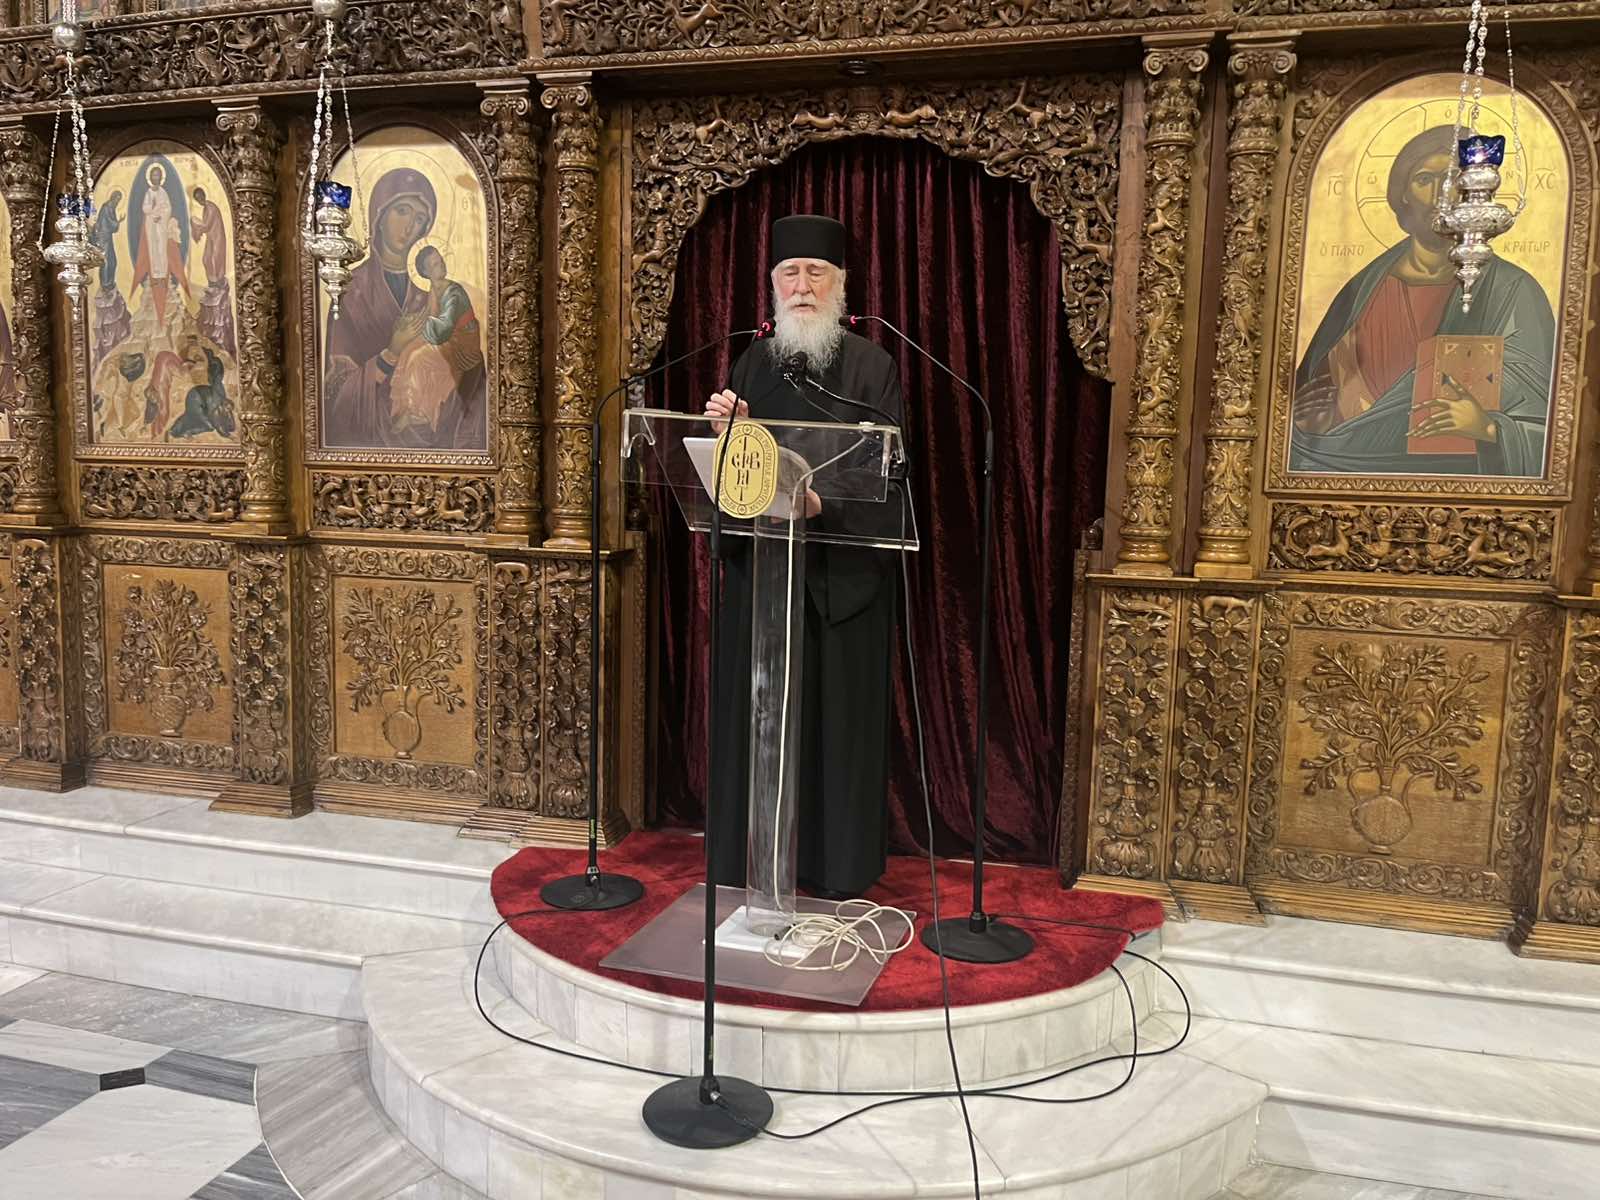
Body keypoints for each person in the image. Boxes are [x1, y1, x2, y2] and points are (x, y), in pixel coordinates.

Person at [703, 213, 902, 899]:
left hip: (840, 584)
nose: (802, 286)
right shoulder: (752, 364)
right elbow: (736, 474)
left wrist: (824, 506)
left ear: (840, 286)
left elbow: (888, 473)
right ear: (773, 285)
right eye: (789, 273)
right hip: (764, 574)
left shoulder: (873, 366)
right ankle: (750, 864)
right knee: (758, 724)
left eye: (817, 273)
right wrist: (728, 438)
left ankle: (834, 871)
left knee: (833, 733)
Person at [1290, 124, 1556, 477]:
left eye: (1452, 179)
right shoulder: (1361, 290)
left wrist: (1490, 428)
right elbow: (1310, 403)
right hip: (1343, 473)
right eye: (1424, 179)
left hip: (1458, 480)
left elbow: (1549, 421)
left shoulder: (1512, 289)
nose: (1440, 196)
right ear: (1401, 194)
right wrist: (1309, 425)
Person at [322, 167, 487, 451]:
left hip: (435, 435)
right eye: (402, 211)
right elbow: (335, 392)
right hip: (368, 443)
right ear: (379, 215)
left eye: (420, 218)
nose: (410, 226)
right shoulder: (350, 291)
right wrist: (392, 352)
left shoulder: (429, 294)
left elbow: (469, 367)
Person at [389, 246, 486, 444]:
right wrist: (410, 322)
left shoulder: (453, 292)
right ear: (425, 272)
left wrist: (420, 325)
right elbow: (429, 316)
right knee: (407, 352)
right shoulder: (434, 290)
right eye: (434, 265)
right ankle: (408, 407)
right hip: (447, 338)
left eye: (440, 260)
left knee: (419, 357)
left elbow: (443, 328)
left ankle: (420, 412)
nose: (441, 265)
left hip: (463, 344)